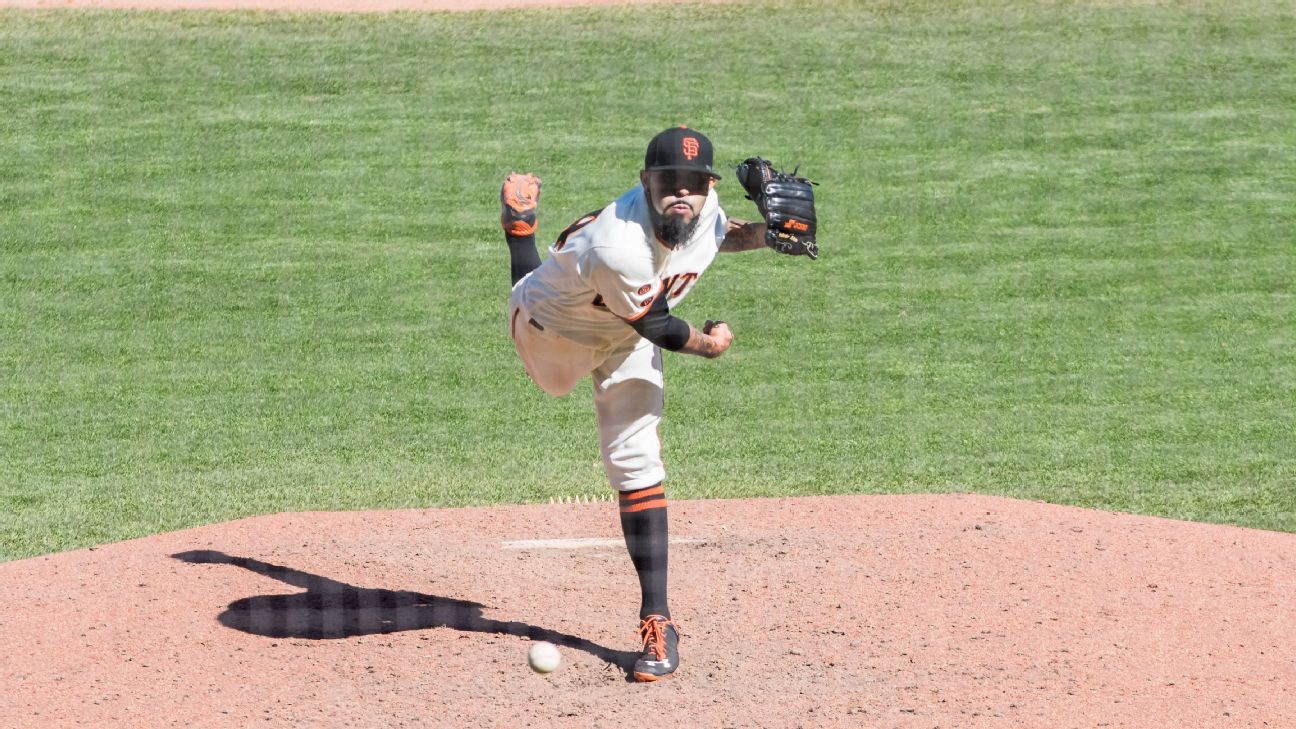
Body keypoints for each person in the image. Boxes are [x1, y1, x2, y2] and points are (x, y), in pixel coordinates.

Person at [499, 126, 775, 682]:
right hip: (552, 328)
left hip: (627, 338)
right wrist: (712, 345)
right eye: (670, 181)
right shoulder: (618, 246)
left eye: (695, 182)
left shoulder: (704, 207)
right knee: (549, 367)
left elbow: (718, 233)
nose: (682, 192)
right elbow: (661, 329)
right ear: (646, 181)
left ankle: (658, 620)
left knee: (637, 462)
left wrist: (772, 236)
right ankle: (520, 232)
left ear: (710, 186)